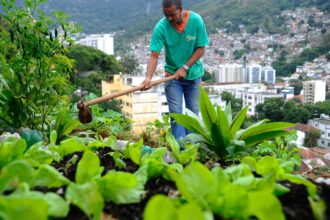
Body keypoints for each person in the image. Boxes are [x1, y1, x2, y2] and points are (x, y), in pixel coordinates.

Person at [141, 0, 208, 141]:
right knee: (176, 114)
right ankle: (180, 150)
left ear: (180, 9)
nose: (169, 18)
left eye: (172, 15)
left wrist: (185, 67)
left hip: (194, 76)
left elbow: (201, 49)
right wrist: (148, 78)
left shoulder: (196, 20)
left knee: (192, 114)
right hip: (172, 77)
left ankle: (193, 148)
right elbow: (154, 55)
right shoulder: (161, 27)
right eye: (166, 15)